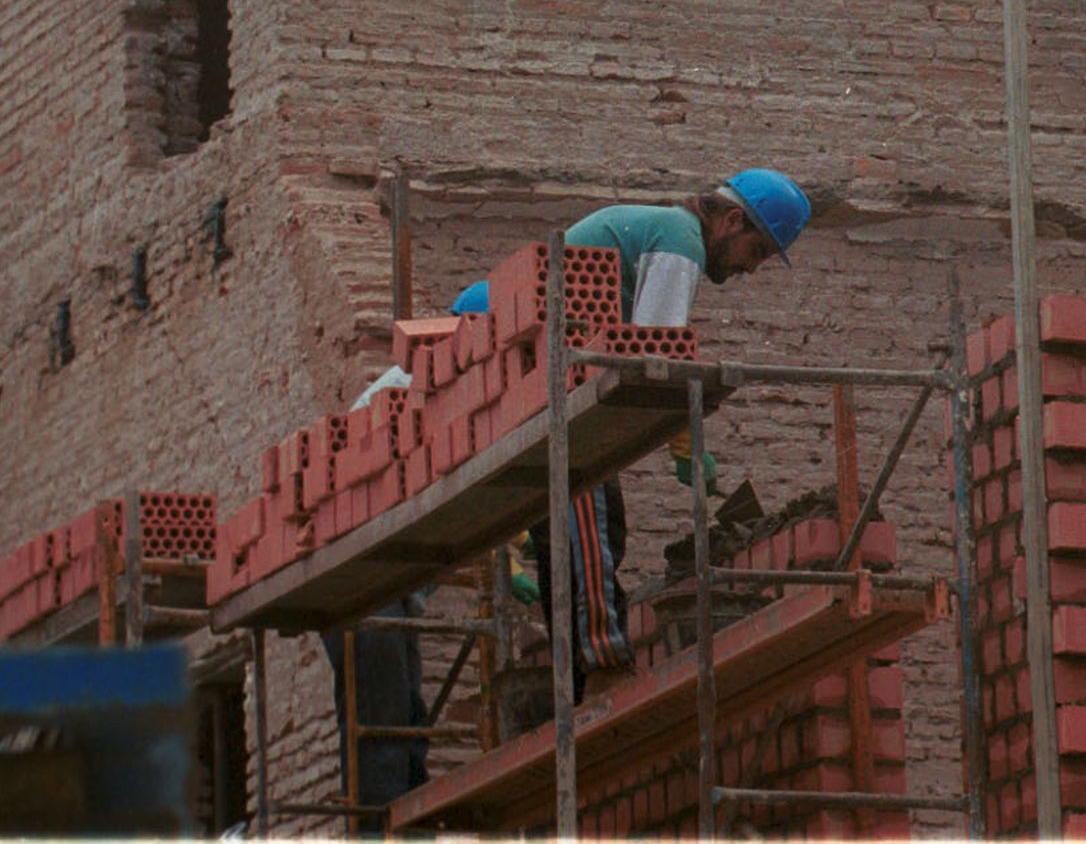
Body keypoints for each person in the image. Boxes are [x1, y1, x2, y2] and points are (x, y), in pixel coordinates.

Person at [530, 168, 811, 701]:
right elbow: (654, 358)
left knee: (587, 526)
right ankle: (602, 665)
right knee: (588, 522)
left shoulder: (656, 230)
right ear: (731, 221)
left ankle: (576, 680)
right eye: (756, 251)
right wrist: (687, 445)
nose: (751, 269)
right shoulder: (680, 240)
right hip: (557, 393)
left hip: (555, 384)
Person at [321, 284, 490, 819]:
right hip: (357, 574)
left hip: (387, 582)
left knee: (405, 714)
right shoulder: (407, 390)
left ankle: (409, 821)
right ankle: (380, 828)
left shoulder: (456, 391)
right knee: (381, 714)